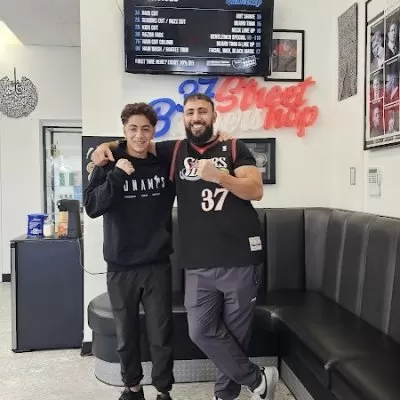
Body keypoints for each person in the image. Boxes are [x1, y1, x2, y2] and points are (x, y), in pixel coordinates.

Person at [91, 93, 279, 400]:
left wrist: (219, 176)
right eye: (190, 112)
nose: (196, 117)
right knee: (200, 331)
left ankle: (226, 395)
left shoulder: (234, 146)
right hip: (198, 262)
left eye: (202, 111)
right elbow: (137, 142)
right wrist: (104, 147)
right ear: (184, 118)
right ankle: (257, 379)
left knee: (235, 334)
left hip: (240, 258)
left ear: (214, 116)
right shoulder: (175, 150)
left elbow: (255, 190)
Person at [84, 103, 176, 400]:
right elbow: (92, 207)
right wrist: (117, 175)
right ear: (124, 130)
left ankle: (163, 390)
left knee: (161, 335)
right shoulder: (108, 163)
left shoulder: (164, 163)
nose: (139, 135)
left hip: (157, 264)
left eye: (145, 129)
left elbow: (194, 150)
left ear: (154, 131)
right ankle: (132, 388)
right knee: (126, 335)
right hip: (121, 265)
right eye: (133, 129)